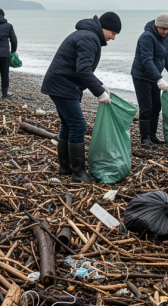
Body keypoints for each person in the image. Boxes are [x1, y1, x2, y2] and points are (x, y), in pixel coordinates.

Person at [41, 12, 121, 183]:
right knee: (78, 125)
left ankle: (66, 167)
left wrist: (100, 85)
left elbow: (82, 69)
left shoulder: (87, 35)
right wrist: (99, 93)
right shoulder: (89, 38)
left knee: (69, 125)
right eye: (113, 33)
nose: (113, 38)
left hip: (61, 83)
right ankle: (78, 173)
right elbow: (83, 70)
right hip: (63, 85)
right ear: (104, 27)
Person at [130, 13, 168, 147]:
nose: (165, 32)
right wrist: (159, 78)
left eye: (167, 29)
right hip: (142, 76)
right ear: (156, 26)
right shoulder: (147, 37)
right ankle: (144, 139)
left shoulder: (166, 36)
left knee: (156, 107)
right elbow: (147, 61)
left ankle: (153, 136)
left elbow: (165, 55)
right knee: (146, 108)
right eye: (163, 29)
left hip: (155, 76)